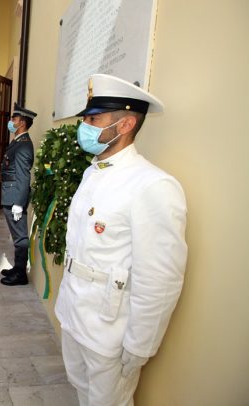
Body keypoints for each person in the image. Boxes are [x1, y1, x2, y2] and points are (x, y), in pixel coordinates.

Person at [54, 74, 188, 405]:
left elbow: (159, 279)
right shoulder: (93, 172)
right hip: (74, 315)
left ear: (126, 124)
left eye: (93, 119)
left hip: (109, 330)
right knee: (81, 389)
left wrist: (140, 345)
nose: (84, 127)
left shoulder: (152, 185)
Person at [0, 103, 36, 286]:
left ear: (22, 123)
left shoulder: (24, 145)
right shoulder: (17, 142)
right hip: (11, 194)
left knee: (20, 236)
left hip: (15, 197)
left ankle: (21, 274)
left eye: (14, 119)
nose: (11, 121)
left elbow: (23, 176)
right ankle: (17, 267)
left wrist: (19, 203)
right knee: (16, 236)